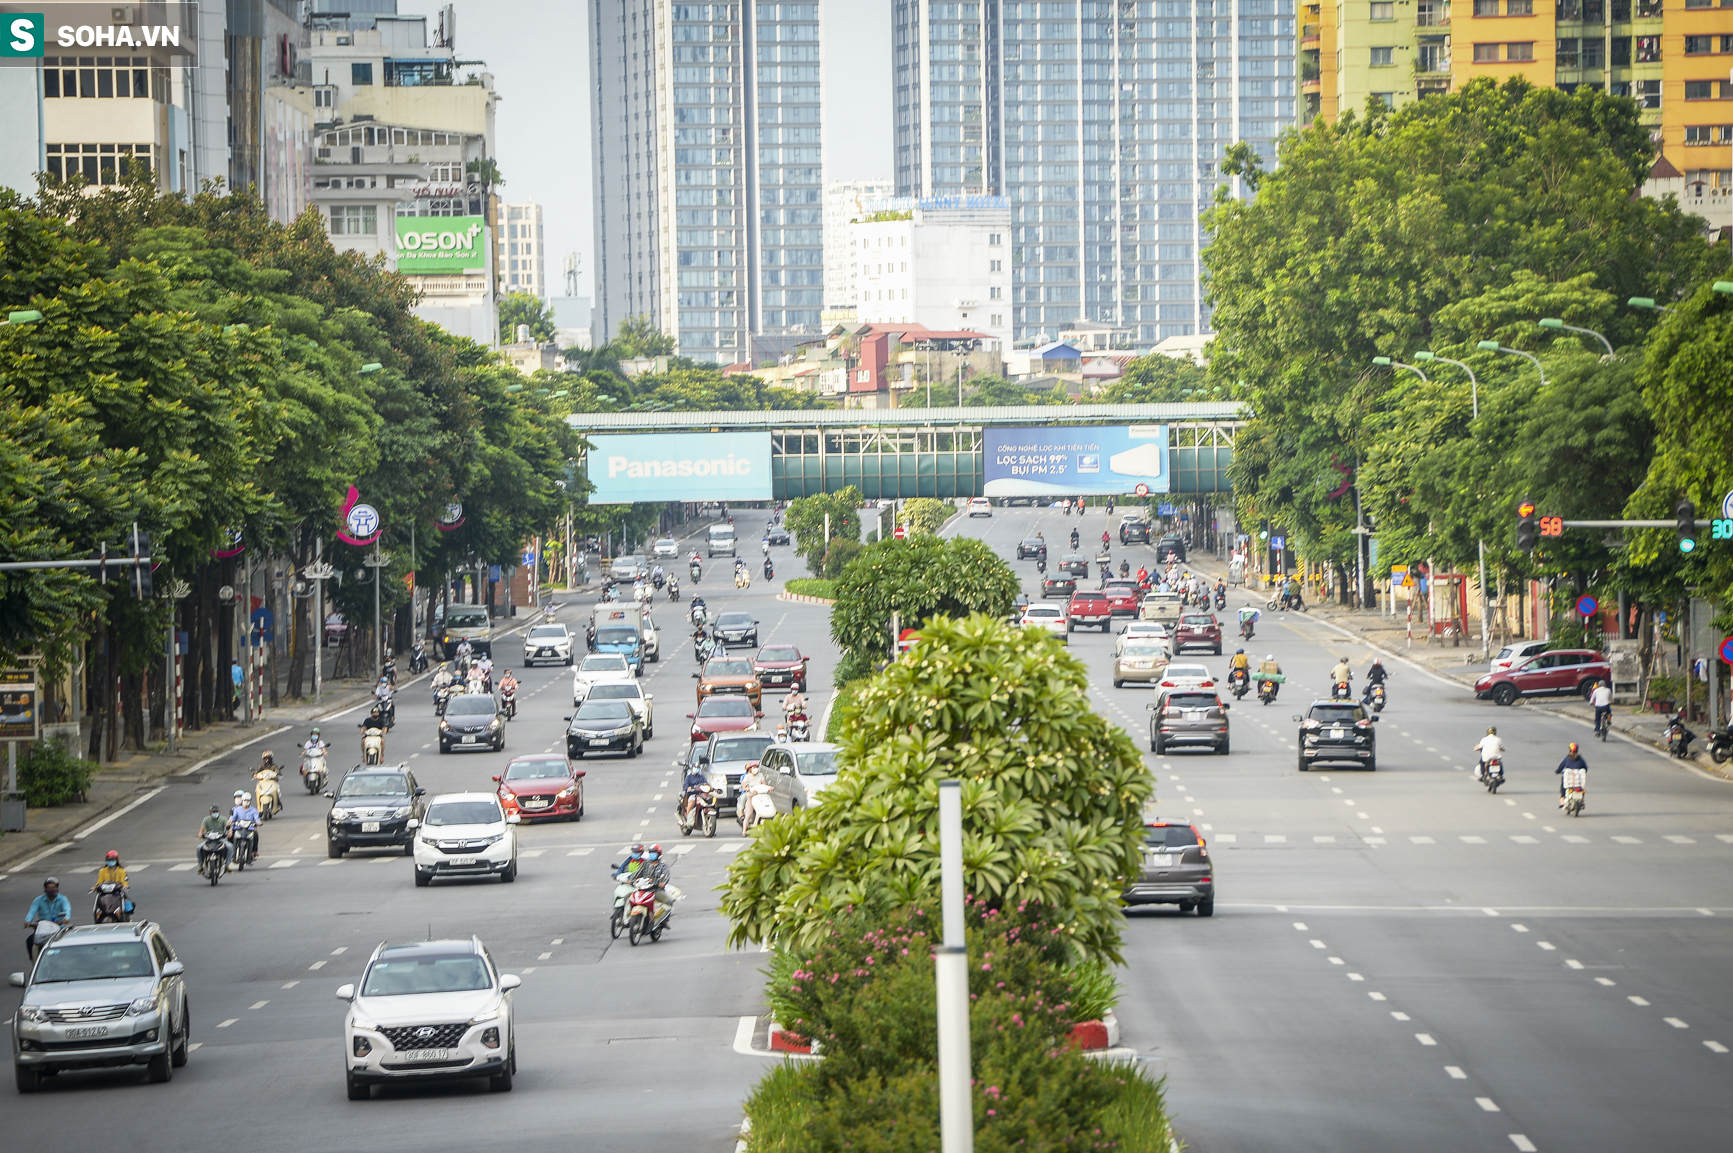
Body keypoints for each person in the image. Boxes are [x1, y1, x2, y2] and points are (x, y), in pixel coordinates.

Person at [25, 877, 72, 961]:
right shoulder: (39, 900)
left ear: (57, 888)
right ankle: (34, 963)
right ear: (45, 889)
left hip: (58, 928)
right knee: (30, 940)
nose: (51, 890)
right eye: (48, 888)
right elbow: (32, 911)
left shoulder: (62, 899)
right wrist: (28, 921)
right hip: (43, 928)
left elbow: (67, 910)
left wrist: (66, 918)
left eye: (53, 888)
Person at [638, 844, 675, 921]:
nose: (652, 855)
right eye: (650, 853)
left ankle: (665, 920)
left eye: (654, 853)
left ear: (659, 854)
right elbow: (637, 873)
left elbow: (666, 876)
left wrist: (663, 883)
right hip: (643, 889)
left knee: (669, 901)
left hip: (656, 890)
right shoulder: (645, 864)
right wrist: (631, 880)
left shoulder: (663, 866)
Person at [197, 804, 232, 873]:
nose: (215, 813)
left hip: (220, 839)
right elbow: (202, 830)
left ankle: (227, 865)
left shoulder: (223, 819)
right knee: (198, 848)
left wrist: (229, 832)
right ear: (210, 813)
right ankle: (201, 865)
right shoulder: (206, 819)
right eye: (213, 812)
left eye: (216, 811)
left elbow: (228, 827)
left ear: (219, 812)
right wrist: (200, 834)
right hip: (209, 840)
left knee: (230, 847)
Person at [739, 761, 771, 831]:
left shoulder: (760, 775)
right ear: (750, 769)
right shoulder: (747, 776)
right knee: (749, 814)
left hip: (760, 796)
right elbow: (744, 785)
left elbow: (764, 784)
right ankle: (744, 831)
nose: (755, 769)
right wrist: (747, 788)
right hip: (750, 796)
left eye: (756, 767)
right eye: (753, 767)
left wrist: (769, 788)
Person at [230, 791, 261, 857]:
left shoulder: (254, 810)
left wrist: (259, 823)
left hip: (250, 828)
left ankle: (254, 851)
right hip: (238, 828)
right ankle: (230, 851)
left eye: (248, 800)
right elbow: (232, 817)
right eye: (245, 800)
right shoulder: (236, 810)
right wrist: (230, 821)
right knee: (230, 836)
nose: (246, 801)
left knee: (255, 835)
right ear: (242, 800)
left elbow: (257, 818)